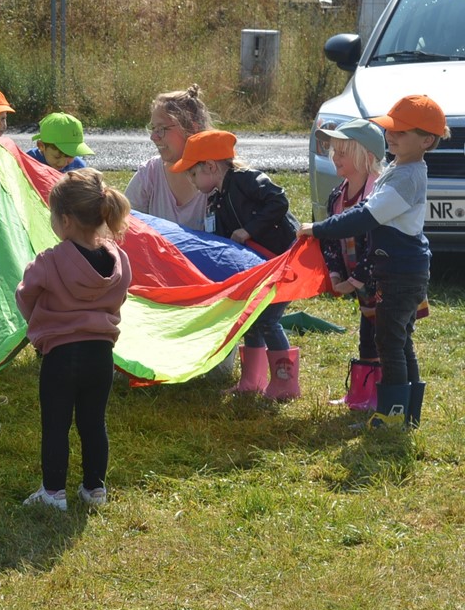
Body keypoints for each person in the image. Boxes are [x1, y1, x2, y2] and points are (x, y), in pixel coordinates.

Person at [300, 95, 449, 429]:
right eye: (390, 129)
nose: (391, 136)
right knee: (399, 340)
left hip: (400, 273)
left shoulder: (407, 177)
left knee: (389, 342)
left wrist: (319, 228)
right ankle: (407, 413)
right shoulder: (400, 168)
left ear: (426, 140)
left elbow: (365, 216)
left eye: (402, 132)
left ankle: (393, 414)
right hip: (398, 270)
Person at [16, 169, 131, 511]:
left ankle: (53, 493)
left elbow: (25, 295)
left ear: (65, 220)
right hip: (101, 355)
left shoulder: (50, 261)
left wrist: (41, 319)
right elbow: (122, 295)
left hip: (61, 356)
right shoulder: (118, 260)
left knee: (56, 424)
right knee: (93, 422)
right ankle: (94, 489)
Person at [172, 130, 300, 399]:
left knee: (268, 319)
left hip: (283, 261)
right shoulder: (216, 199)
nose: (191, 181)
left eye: (193, 174)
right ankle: (252, 381)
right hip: (259, 267)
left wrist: (249, 230)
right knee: (251, 319)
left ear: (210, 166)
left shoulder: (245, 179)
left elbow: (279, 200)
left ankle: (285, 384)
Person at [315, 119, 387, 411]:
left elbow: (375, 249)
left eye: (343, 152)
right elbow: (330, 238)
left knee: (383, 338)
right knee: (366, 337)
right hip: (359, 283)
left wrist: (353, 280)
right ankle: (361, 394)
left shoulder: (375, 197)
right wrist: (335, 274)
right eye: (334, 151)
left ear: (366, 157)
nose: (335, 158)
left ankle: (380, 396)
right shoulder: (337, 196)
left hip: (384, 282)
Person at [125, 85, 214, 230]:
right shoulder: (150, 173)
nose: (153, 137)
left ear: (192, 128)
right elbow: (124, 225)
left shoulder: (219, 176)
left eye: (161, 129)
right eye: (153, 128)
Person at [27, 112, 93, 172]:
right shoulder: (29, 161)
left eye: (70, 156)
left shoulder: (78, 167)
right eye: (57, 157)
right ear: (41, 146)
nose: (62, 163)